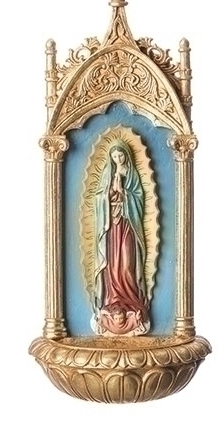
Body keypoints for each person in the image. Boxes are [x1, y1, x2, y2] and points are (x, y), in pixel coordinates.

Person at [91, 140, 150, 336]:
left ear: (126, 155)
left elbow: (138, 199)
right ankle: (112, 300)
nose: (118, 159)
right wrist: (109, 193)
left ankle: (131, 300)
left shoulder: (131, 174)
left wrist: (124, 192)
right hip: (111, 227)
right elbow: (98, 198)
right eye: (115, 156)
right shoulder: (108, 173)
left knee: (126, 265)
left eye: (121, 155)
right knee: (111, 266)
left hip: (127, 224)